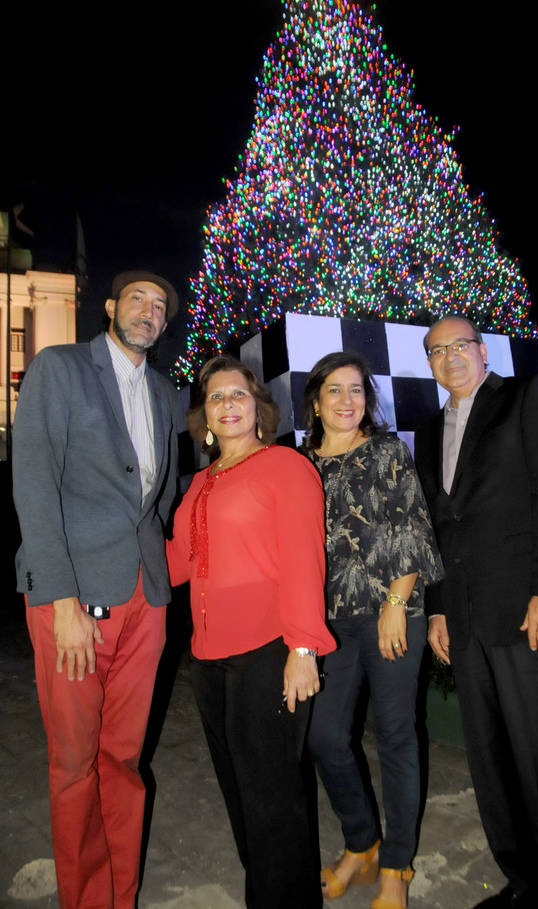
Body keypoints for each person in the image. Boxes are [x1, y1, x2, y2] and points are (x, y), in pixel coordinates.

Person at [12, 270, 179, 908]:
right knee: (76, 767)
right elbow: (33, 483)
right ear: (110, 307)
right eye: (136, 298)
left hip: (145, 599)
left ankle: (122, 894)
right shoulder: (60, 369)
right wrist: (61, 601)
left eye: (159, 305)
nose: (147, 310)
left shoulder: (166, 392)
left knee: (123, 761)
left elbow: (160, 498)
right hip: (73, 600)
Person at [414, 315, 538, 908]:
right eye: (436, 351)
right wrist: (438, 610)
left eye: (459, 346)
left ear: (483, 351)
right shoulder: (429, 428)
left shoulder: (526, 396)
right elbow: (439, 528)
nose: (449, 358)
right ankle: (524, 883)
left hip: (529, 614)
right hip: (467, 623)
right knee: (494, 767)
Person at [166, 354, 336, 909]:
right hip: (209, 657)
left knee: (273, 800)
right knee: (241, 795)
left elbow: (304, 560)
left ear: (258, 408)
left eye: (237, 394)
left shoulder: (286, 466)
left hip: (269, 651)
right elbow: (177, 564)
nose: (227, 404)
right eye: (215, 397)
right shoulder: (200, 484)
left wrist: (303, 646)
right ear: (205, 419)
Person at [302, 351, 443, 909]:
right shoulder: (299, 462)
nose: (346, 401)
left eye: (356, 390)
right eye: (334, 391)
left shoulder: (387, 451)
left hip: (391, 613)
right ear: (315, 402)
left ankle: (397, 867)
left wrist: (394, 602)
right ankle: (361, 844)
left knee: (395, 737)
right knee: (325, 738)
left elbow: (410, 527)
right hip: (327, 622)